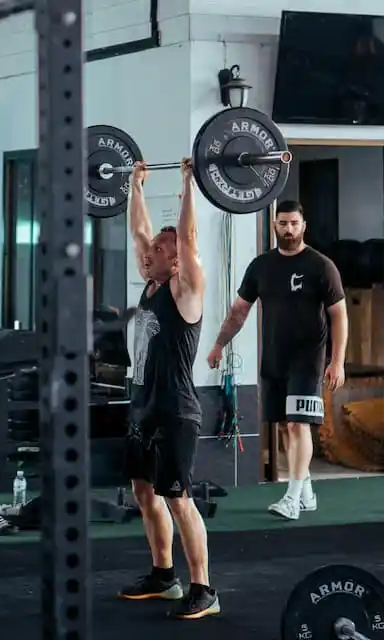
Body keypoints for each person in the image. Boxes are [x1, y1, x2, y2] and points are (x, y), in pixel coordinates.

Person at [118, 159, 220, 620]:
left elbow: (189, 240)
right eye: (151, 248)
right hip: (142, 409)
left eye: (159, 250)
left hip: (176, 411)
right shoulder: (151, 284)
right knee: (144, 493)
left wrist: (187, 185)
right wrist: (134, 187)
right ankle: (164, 576)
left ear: (176, 260)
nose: (147, 253)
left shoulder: (185, 292)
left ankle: (204, 589)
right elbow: (139, 233)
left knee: (179, 498)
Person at [207, 200, 348, 521]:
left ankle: (292, 496)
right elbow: (238, 311)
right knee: (286, 425)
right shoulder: (261, 266)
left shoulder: (321, 266)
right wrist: (218, 345)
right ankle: (307, 491)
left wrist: (337, 360)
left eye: (294, 223)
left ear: (304, 225)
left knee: (299, 423)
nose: (288, 229)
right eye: (283, 223)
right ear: (274, 224)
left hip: (309, 357)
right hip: (274, 356)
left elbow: (339, 315)